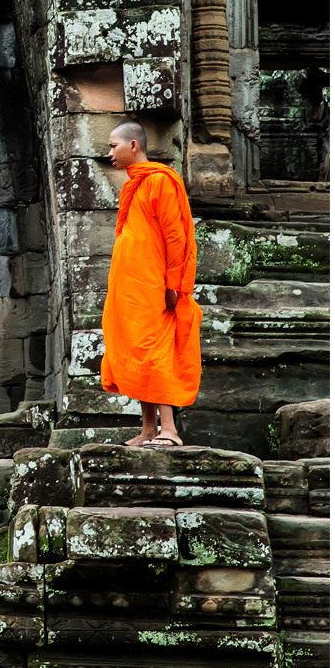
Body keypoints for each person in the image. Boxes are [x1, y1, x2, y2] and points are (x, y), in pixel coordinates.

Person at [100, 120, 203, 449]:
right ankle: (148, 429)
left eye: (113, 145)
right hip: (132, 290)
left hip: (155, 287)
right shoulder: (134, 185)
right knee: (136, 352)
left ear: (134, 146)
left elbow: (176, 235)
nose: (109, 152)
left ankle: (169, 430)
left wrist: (173, 283)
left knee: (154, 353)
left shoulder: (159, 181)